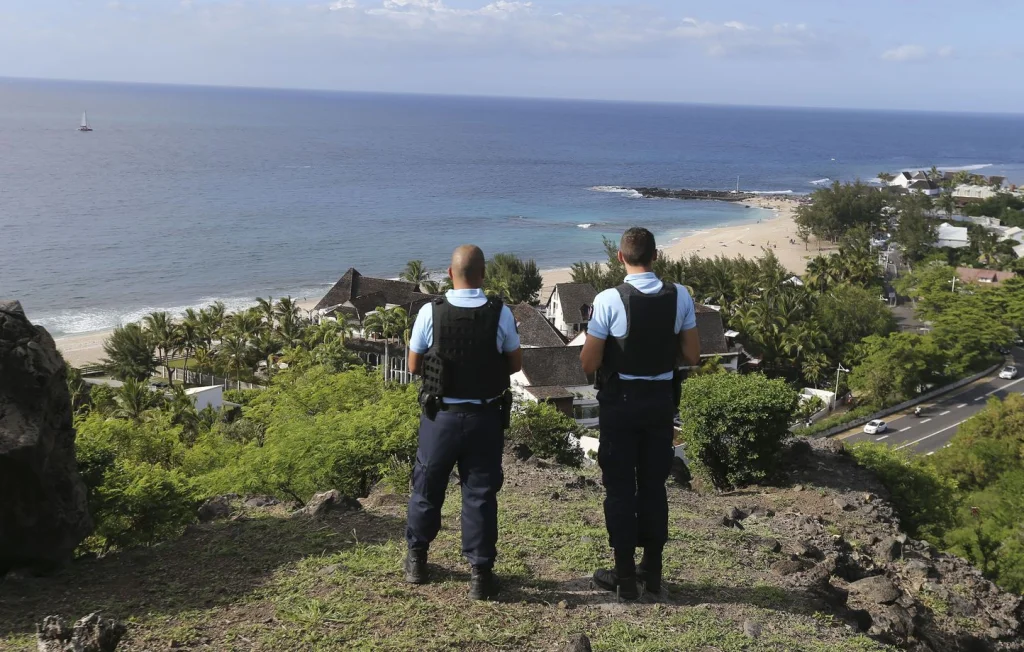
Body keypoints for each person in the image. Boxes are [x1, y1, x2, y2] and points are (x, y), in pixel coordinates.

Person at [580, 227, 701, 599]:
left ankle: (625, 577)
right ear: (656, 256)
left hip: (621, 403)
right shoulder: (680, 296)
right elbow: (694, 355)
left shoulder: (609, 299)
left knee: (619, 489)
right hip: (661, 401)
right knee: (653, 485)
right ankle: (652, 570)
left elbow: (589, 362)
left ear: (620, 257)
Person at [404, 244, 523, 601]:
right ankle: (480, 575)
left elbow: (413, 366)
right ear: (483, 274)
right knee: (481, 495)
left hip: (441, 417)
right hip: (484, 417)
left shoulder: (431, 312)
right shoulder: (499, 314)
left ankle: (417, 561)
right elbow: (514, 363)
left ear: (450, 273)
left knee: (427, 487)